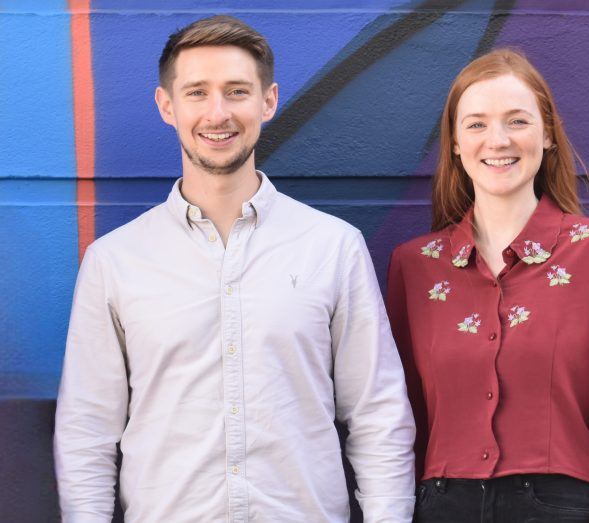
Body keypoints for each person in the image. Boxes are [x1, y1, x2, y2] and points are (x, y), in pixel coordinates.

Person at [54, 15, 416, 522]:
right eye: (197, 92)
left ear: (268, 101)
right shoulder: (115, 261)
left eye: (237, 91)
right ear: (167, 106)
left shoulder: (333, 247)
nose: (217, 113)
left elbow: (377, 413)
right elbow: (87, 431)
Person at [386, 48, 589, 522]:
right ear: (454, 142)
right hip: (444, 506)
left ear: (548, 133)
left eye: (517, 121)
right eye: (476, 124)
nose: (498, 140)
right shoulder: (414, 268)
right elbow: (399, 416)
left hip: (561, 506)